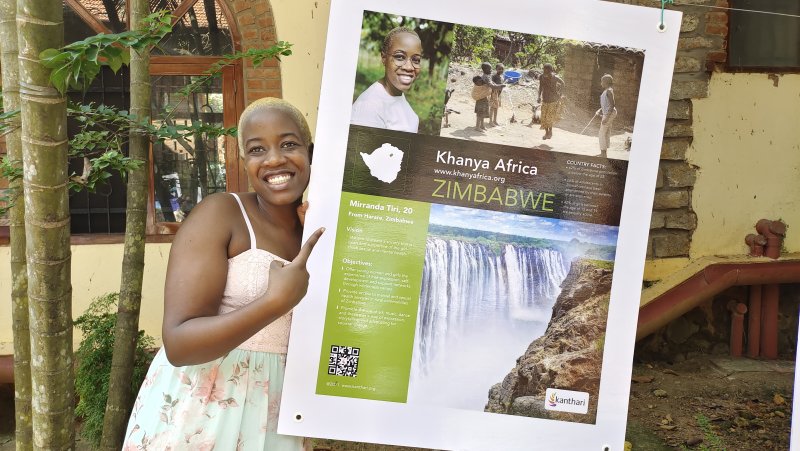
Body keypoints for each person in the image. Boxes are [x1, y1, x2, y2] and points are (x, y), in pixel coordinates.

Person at [122, 98, 325, 450]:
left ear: (310, 152)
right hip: (203, 412)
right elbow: (179, 343)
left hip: (279, 414)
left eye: (288, 144)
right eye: (257, 149)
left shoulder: (321, 228)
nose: (274, 159)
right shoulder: (221, 215)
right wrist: (273, 302)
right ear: (245, 161)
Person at [351, 26, 422, 133]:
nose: (409, 67)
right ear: (384, 58)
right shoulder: (369, 107)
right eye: (400, 57)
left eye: (416, 60)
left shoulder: (397, 95)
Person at [472, 62, 504, 131]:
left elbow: (492, 83)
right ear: (485, 69)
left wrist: (499, 86)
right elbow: (492, 85)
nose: (491, 70)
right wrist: (500, 86)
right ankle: (477, 127)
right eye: (489, 69)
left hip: (484, 97)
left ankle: (482, 125)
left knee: (483, 111)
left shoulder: (487, 76)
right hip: (481, 97)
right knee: (480, 112)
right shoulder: (485, 77)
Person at [537, 63, 565, 140]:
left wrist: (560, 94)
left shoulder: (555, 78)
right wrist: (539, 96)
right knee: (543, 118)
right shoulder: (542, 77)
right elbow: (540, 87)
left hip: (553, 101)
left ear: (551, 71)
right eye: (544, 70)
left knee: (549, 117)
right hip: (545, 100)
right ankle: (546, 132)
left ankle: (550, 132)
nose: (545, 72)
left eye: (547, 71)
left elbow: (563, 83)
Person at [596, 73, 617, 157]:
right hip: (609, 112)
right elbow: (607, 104)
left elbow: (612, 105)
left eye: (602, 81)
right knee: (606, 131)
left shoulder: (608, 91)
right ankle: (605, 151)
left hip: (610, 113)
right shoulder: (607, 91)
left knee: (601, 133)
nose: (601, 83)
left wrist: (606, 117)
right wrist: (600, 109)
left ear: (606, 82)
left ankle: (603, 153)